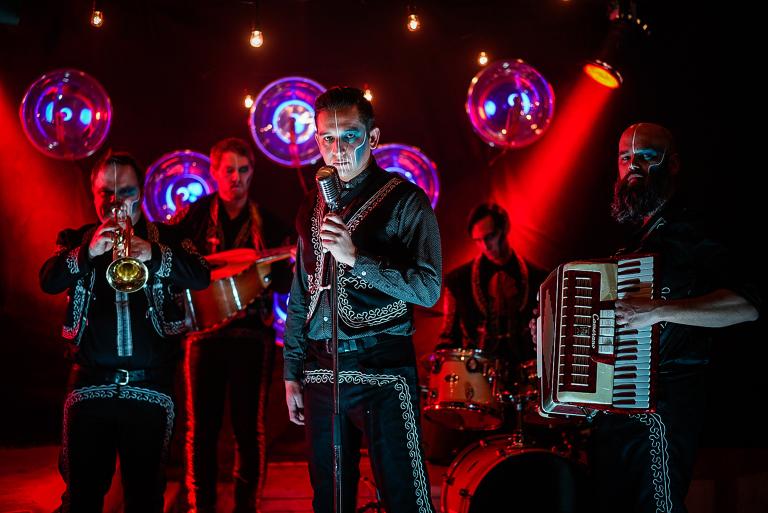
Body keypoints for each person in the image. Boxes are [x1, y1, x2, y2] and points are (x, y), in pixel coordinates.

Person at [283, 86, 442, 513]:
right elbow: (302, 291)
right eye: (327, 139)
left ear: (372, 138)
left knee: (404, 497)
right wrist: (292, 369)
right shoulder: (310, 205)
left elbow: (428, 288)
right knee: (330, 501)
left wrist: (358, 259)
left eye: (349, 136)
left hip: (383, 369)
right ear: (317, 141)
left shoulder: (406, 202)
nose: (337, 149)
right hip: (321, 369)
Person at [586, 122, 760, 512]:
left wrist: (659, 311)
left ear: (674, 164)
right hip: (617, 413)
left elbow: (748, 305)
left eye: (647, 157)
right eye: (625, 158)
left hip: (664, 410)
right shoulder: (635, 243)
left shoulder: (693, 229)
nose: (633, 167)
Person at [39, 151, 211, 513]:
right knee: (80, 498)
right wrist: (87, 251)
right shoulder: (74, 238)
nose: (115, 202)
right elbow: (49, 280)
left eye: (126, 191)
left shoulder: (170, 236)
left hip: (151, 388)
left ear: (143, 192)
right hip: (89, 386)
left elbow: (200, 274)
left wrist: (153, 253)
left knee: (145, 498)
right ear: (93, 193)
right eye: (106, 192)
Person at [172, 137, 292, 513]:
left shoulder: (269, 224)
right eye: (228, 170)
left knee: (248, 430)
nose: (236, 178)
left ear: (252, 173)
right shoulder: (191, 219)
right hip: (204, 337)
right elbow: (173, 268)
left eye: (243, 170)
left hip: (252, 338)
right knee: (201, 431)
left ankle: (245, 509)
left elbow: (288, 283)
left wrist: (276, 268)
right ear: (214, 172)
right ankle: (200, 507)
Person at [438, 202, 540, 365]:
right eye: (478, 240)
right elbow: (448, 338)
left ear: (504, 228)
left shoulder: (538, 278)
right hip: (474, 377)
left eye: (490, 237)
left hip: (527, 376)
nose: (485, 246)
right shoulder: (458, 281)